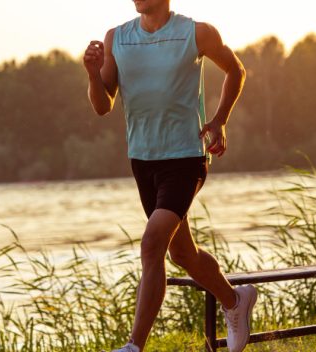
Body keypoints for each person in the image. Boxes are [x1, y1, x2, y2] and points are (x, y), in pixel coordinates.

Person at [84, 0, 256, 351]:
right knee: (182, 254)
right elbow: (103, 106)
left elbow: (236, 71)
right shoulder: (117, 38)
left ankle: (134, 346)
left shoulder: (196, 33)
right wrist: (91, 72)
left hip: (185, 157)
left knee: (152, 244)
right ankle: (235, 300)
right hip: (143, 160)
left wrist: (220, 119)